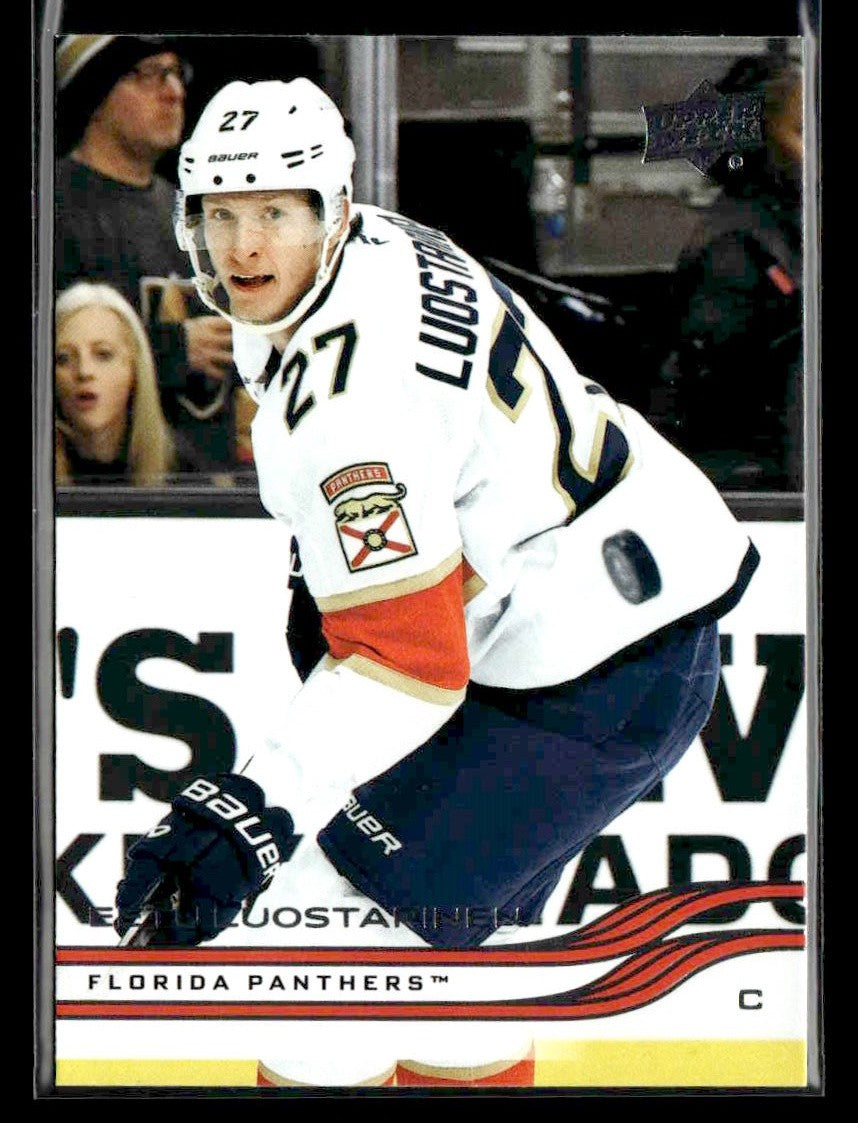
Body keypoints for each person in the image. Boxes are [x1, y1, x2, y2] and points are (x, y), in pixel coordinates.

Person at [114, 78, 761, 1086]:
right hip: (609, 611)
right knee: (455, 979)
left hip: (579, 675)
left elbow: (409, 662)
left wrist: (245, 812)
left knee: (314, 950)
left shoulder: (350, 409)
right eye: (222, 214)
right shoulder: (380, 239)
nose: (244, 247)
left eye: (274, 213)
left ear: (328, 210)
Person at [55, 35, 245, 474]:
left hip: (209, 486)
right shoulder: (51, 206)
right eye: (150, 74)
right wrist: (175, 349)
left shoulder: (191, 211)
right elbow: (49, 354)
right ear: (96, 94)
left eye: (176, 73)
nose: (174, 91)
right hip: (109, 490)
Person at [650, 56, 804, 491]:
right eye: (801, 131)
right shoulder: (735, 248)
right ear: (759, 141)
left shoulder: (784, 222)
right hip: (748, 477)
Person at [55, 282, 190, 485]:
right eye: (63, 358)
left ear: (134, 367)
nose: (84, 372)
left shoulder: (187, 476)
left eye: (103, 354)